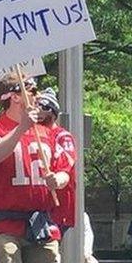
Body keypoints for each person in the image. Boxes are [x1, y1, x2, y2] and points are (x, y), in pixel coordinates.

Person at [0, 73, 71, 263]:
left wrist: (58, 180)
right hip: (4, 225)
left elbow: (64, 172)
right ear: (15, 96)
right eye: (33, 91)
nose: (38, 96)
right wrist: (21, 129)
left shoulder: (48, 133)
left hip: (41, 226)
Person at [36, 87, 77, 233]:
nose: (39, 111)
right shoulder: (31, 134)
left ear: (54, 113)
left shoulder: (62, 137)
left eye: (45, 108)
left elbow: (66, 165)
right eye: (37, 107)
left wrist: (57, 180)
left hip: (57, 207)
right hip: (36, 204)